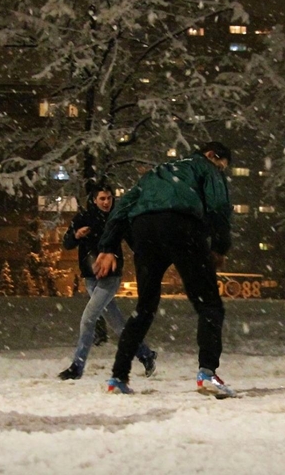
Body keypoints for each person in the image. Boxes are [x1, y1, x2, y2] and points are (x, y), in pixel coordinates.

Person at [93, 142, 235, 398]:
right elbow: (218, 208)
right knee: (209, 304)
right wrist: (219, 247)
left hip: (144, 230)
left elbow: (122, 208)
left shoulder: (155, 173)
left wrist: (107, 246)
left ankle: (117, 377)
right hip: (183, 226)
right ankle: (207, 373)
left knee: (144, 308)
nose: (221, 170)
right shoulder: (207, 168)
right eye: (222, 165)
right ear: (213, 155)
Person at [57, 185, 157, 380]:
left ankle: (77, 367)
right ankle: (146, 355)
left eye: (109, 198)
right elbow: (67, 242)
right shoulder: (83, 218)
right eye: (102, 198)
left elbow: (134, 242)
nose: (106, 202)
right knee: (118, 325)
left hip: (110, 277)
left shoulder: (118, 218)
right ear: (94, 199)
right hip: (90, 278)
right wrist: (77, 235)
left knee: (88, 319)